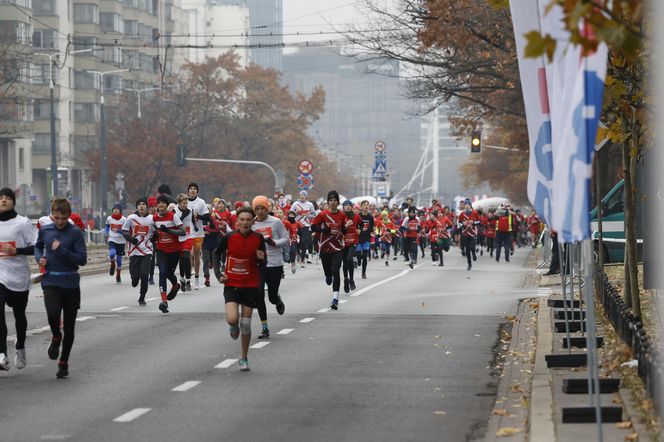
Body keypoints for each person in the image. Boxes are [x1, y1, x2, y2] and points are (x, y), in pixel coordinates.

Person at [35, 197, 87, 378]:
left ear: (68, 216)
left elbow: (82, 259)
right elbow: (38, 246)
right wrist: (39, 259)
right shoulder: (46, 230)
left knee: (70, 327)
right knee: (53, 313)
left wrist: (61, 250)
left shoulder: (75, 233)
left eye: (63, 219)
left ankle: (63, 362)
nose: (59, 222)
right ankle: (56, 336)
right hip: (50, 281)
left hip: (71, 282)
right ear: (52, 215)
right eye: (56, 218)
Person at [216, 207, 266, 371]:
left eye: (248, 220)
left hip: (250, 284)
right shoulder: (229, 237)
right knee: (232, 319)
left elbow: (262, 262)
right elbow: (217, 254)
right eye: (242, 219)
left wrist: (261, 259)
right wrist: (218, 274)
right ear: (237, 221)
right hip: (232, 282)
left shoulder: (258, 238)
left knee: (246, 323)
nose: (245, 222)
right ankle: (233, 326)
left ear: (253, 221)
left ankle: (243, 357)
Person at [0, 188, 36, 371]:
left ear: (13, 201)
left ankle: (20, 346)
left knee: (19, 316)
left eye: (7, 198)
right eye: (1, 197)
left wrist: (17, 251)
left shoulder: (22, 223)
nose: (3, 200)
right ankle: (2, 354)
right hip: (0, 275)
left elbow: (36, 248)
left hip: (19, 276)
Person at [251, 196, 288, 339]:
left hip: (274, 262)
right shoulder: (251, 224)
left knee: (271, 296)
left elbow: (286, 238)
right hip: (258, 264)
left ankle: (277, 300)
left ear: (267, 208)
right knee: (259, 294)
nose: (260, 212)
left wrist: (274, 243)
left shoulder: (276, 222)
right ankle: (264, 327)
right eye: (257, 209)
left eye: (263, 208)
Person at [311, 190, 347, 310]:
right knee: (329, 272)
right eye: (330, 201)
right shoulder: (322, 215)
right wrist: (323, 230)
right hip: (325, 247)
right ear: (328, 202)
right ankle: (328, 275)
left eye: (334, 201)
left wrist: (346, 229)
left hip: (338, 247)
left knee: (336, 270)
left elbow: (343, 229)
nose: (332, 203)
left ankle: (335, 298)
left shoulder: (342, 215)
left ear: (338, 202)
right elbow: (312, 227)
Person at [153, 195, 185, 313]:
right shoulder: (155, 218)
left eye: (163, 203)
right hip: (161, 250)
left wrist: (169, 231)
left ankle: (175, 285)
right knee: (162, 272)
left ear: (167, 205)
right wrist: (154, 236)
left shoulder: (173, 216)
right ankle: (164, 301)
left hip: (174, 251)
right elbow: (153, 232)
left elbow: (182, 232)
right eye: (159, 203)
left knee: (169, 273)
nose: (161, 205)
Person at [122, 197, 155, 306]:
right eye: (139, 204)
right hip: (134, 251)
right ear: (137, 207)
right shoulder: (131, 218)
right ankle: (134, 279)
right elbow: (124, 231)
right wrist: (131, 239)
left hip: (147, 250)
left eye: (143, 204)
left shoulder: (151, 219)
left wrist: (155, 238)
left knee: (145, 274)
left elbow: (156, 232)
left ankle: (142, 297)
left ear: (147, 206)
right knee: (135, 278)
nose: (141, 206)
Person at [186, 183, 210, 290]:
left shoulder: (201, 202)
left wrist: (198, 216)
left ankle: (196, 277)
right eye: (190, 189)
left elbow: (207, 217)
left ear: (197, 191)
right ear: (188, 191)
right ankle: (188, 277)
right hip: (186, 234)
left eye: (194, 189)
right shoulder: (184, 202)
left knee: (195, 255)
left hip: (198, 233)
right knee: (188, 255)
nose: (192, 190)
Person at [290, 190, 316, 267]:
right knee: (297, 242)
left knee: (304, 242)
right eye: (301, 195)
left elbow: (314, 214)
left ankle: (302, 260)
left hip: (306, 226)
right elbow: (290, 214)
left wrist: (308, 215)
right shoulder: (295, 204)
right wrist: (296, 213)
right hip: (297, 225)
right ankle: (298, 251)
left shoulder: (310, 204)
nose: (302, 196)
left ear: (306, 196)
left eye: (303, 195)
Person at [175, 193, 195, 292]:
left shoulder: (190, 210)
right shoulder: (175, 211)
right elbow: (176, 223)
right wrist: (183, 216)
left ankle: (188, 281)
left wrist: (195, 226)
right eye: (183, 203)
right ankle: (182, 279)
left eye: (186, 203)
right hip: (178, 237)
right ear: (178, 203)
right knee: (181, 259)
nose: (185, 205)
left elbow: (192, 220)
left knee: (187, 256)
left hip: (188, 235)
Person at [341, 200, 362, 293]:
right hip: (343, 242)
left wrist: (359, 230)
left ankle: (351, 280)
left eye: (350, 205)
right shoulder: (341, 216)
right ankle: (346, 279)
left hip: (354, 241)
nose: (348, 207)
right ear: (343, 207)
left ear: (352, 207)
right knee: (345, 262)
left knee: (350, 259)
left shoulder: (356, 216)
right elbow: (339, 229)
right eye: (346, 205)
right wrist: (346, 225)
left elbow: (361, 224)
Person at [202, 204, 223, 287]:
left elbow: (217, 229)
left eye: (208, 210)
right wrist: (202, 232)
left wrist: (208, 230)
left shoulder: (213, 218)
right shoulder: (200, 220)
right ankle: (207, 278)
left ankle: (219, 277)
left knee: (215, 261)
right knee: (205, 261)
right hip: (205, 244)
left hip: (214, 243)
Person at [105, 204, 126, 284]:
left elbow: (126, 230)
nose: (115, 210)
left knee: (119, 260)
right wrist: (106, 232)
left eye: (117, 209)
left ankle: (118, 275)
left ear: (120, 211)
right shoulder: (109, 218)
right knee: (112, 254)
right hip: (112, 239)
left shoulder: (124, 219)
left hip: (121, 241)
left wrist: (120, 230)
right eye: (114, 209)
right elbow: (107, 226)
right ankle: (112, 264)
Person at [458, 202, 480, 270]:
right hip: (465, 233)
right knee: (467, 249)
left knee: (472, 247)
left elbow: (479, 221)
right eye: (466, 205)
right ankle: (469, 264)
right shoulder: (462, 214)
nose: (467, 206)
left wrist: (473, 222)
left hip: (473, 233)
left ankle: (474, 254)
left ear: (470, 206)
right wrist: (463, 224)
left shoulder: (474, 213)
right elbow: (459, 223)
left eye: (468, 205)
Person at [357, 200, 375, 279]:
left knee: (364, 256)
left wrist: (368, 228)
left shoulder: (370, 217)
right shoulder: (358, 216)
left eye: (367, 205)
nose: (366, 206)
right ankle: (358, 260)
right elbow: (355, 226)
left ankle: (363, 272)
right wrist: (359, 230)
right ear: (361, 207)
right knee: (358, 255)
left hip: (366, 238)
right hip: (358, 238)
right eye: (364, 205)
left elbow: (372, 228)